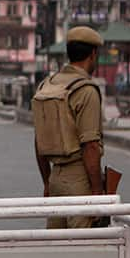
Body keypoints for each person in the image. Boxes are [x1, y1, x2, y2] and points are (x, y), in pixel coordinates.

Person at [32, 26, 106, 229]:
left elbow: (39, 142)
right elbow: (90, 146)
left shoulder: (46, 85)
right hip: (79, 177)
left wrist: (47, 182)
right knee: (83, 247)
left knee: (58, 248)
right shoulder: (85, 90)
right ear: (93, 54)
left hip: (55, 177)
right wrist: (97, 192)